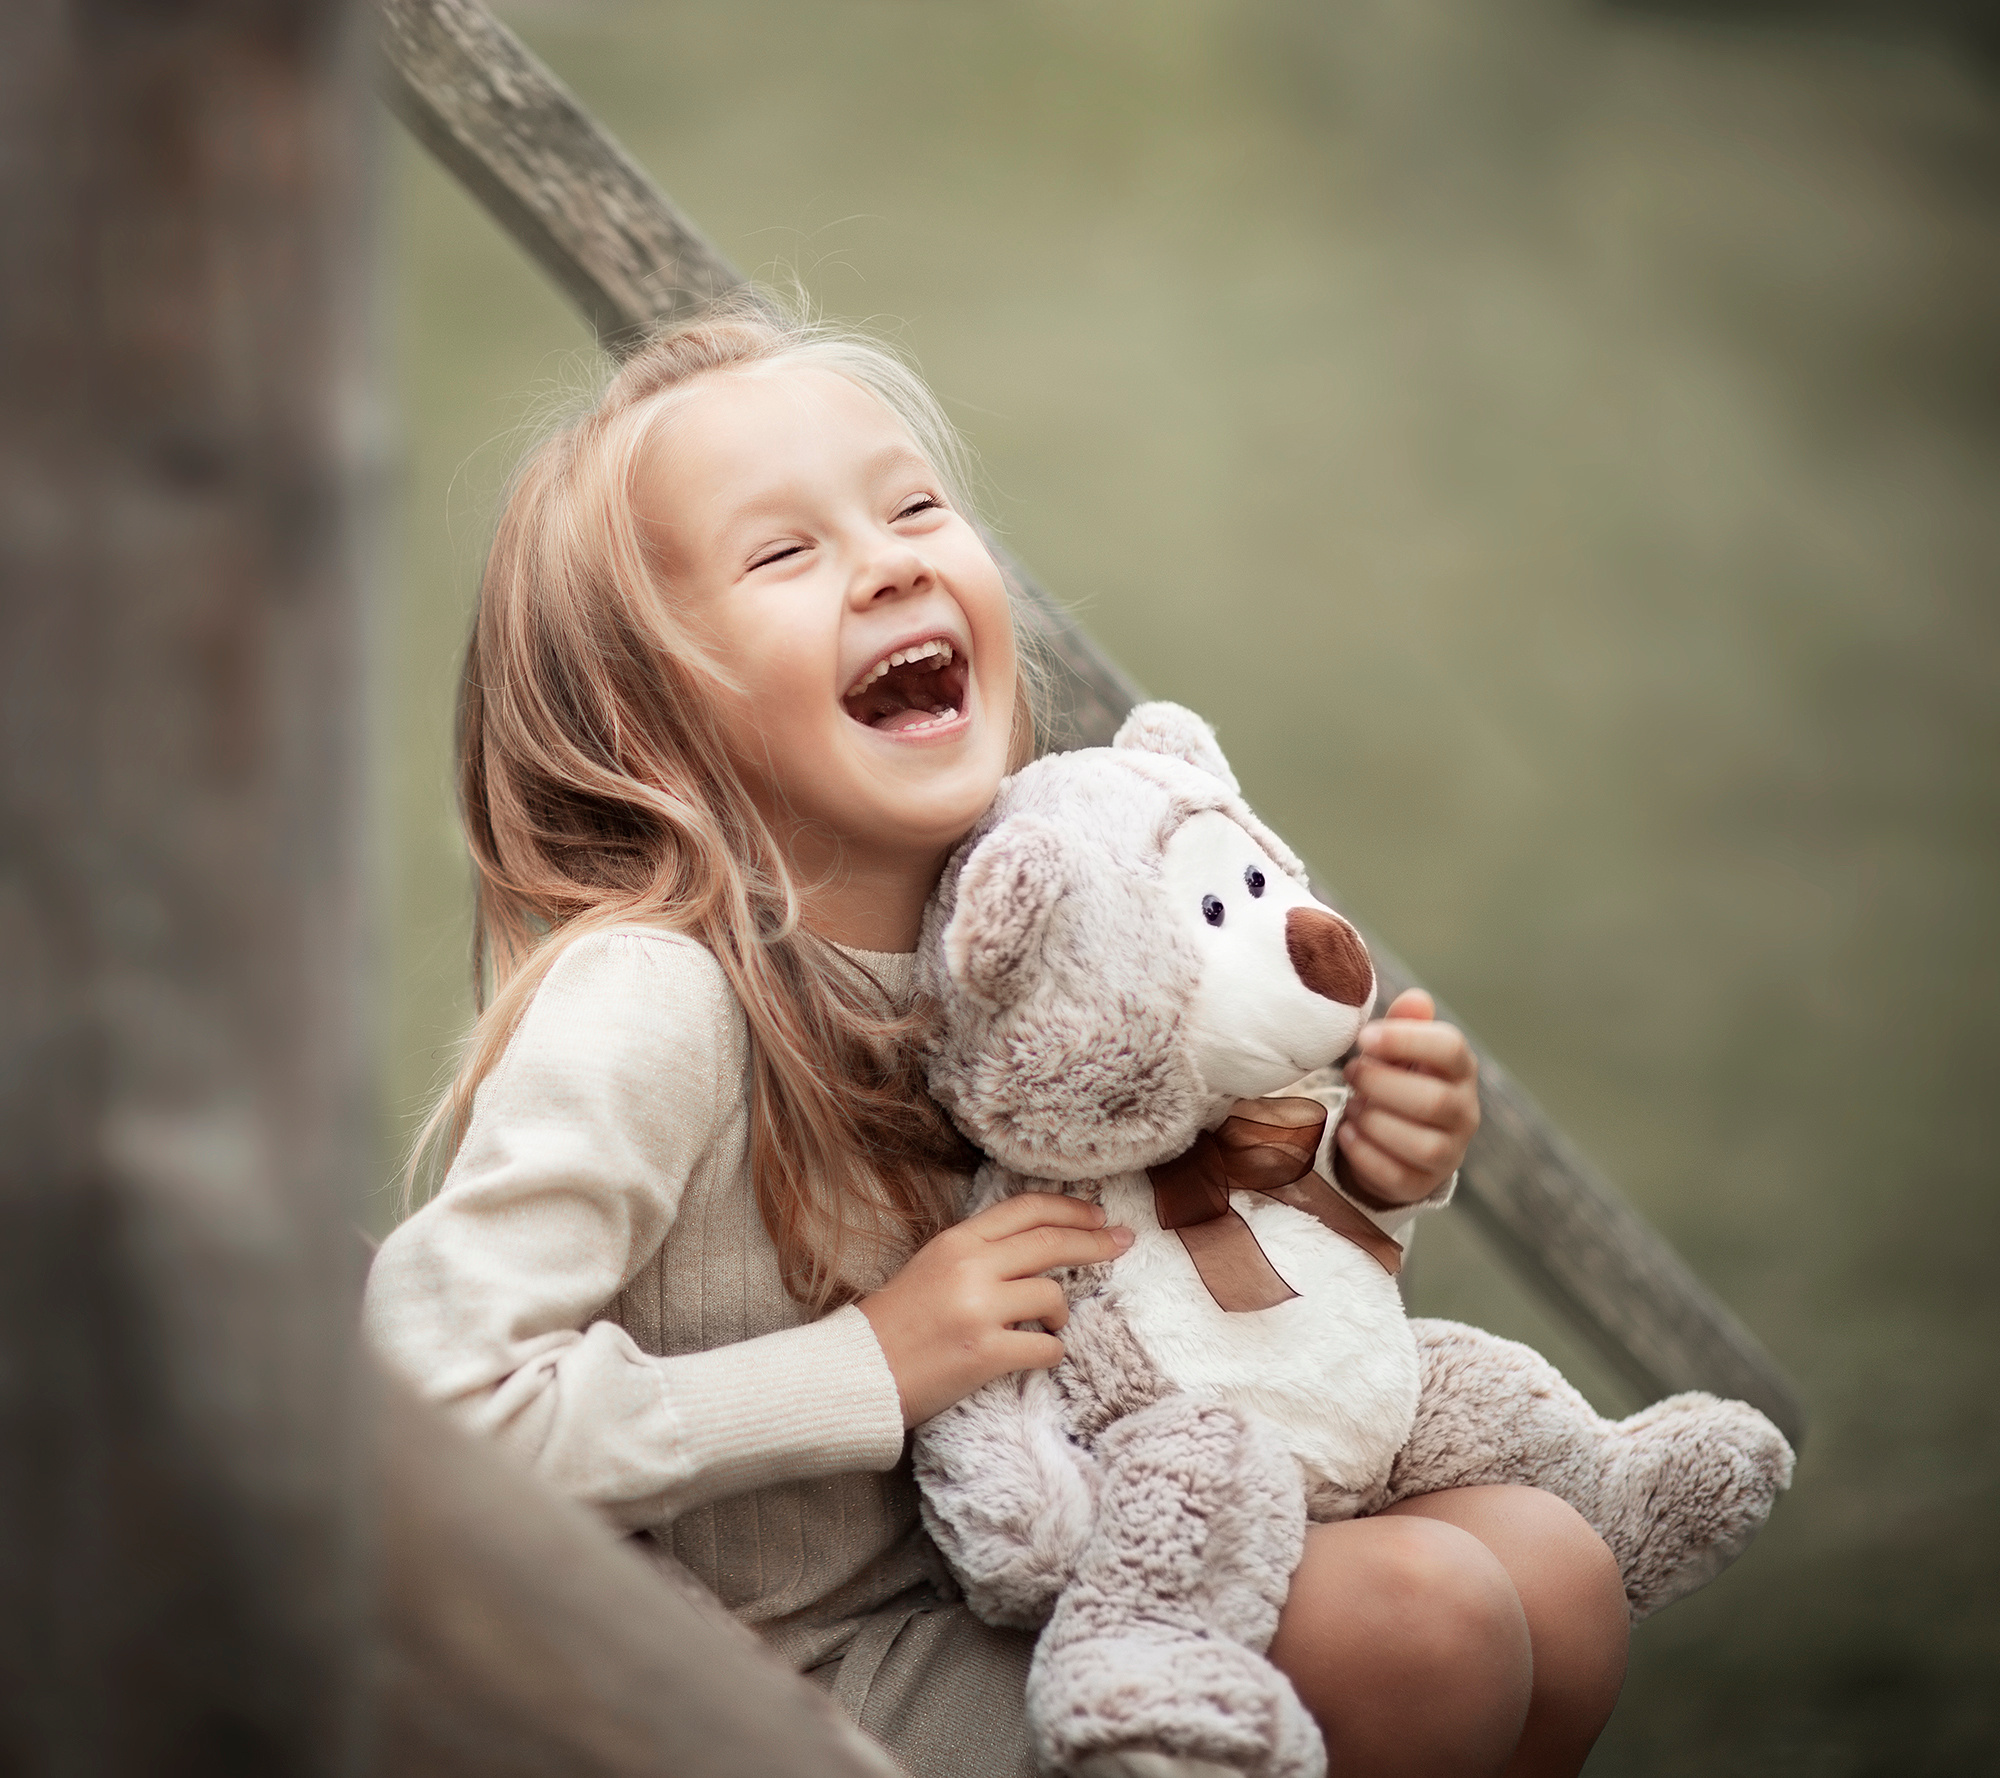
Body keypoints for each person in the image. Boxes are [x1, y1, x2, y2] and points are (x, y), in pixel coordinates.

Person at [364, 301, 1630, 1778]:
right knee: (1420, 1620)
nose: (892, 557)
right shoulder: (654, 999)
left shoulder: (1022, 926)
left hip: (1057, 1565)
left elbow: (1152, 1260)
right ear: (641, 720)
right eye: (784, 553)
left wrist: (1361, 1173)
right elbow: (416, 1415)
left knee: (1553, 1568)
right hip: (788, 1686)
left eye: (913, 507)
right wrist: (870, 1365)